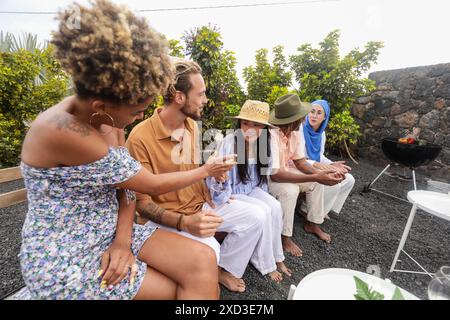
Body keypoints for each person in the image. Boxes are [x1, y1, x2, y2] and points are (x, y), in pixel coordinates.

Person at [18, 0, 234, 300]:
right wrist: (207, 169)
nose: (142, 117)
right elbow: (147, 184)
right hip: (65, 250)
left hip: (111, 228)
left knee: (203, 261)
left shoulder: (108, 119)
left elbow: (127, 191)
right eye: (138, 111)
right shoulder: (64, 131)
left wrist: (122, 240)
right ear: (101, 106)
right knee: (186, 290)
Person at [126, 59, 265, 293]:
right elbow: (143, 206)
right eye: (200, 94)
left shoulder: (191, 126)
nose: (205, 100)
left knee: (256, 216)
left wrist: (214, 180)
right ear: (179, 97)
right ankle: (210, 273)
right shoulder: (140, 138)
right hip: (166, 218)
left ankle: (223, 270)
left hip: (199, 206)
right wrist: (185, 223)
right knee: (210, 249)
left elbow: (193, 171)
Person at [206, 100, 292, 283]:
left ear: (263, 128)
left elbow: (261, 181)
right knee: (263, 212)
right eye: (245, 123)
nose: (249, 129)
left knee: (274, 207)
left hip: (250, 190)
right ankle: (263, 263)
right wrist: (222, 192)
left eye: (256, 125)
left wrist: (263, 197)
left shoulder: (264, 144)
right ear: (239, 124)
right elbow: (218, 180)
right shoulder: (230, 143)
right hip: (230, 193)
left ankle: (277, 257)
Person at [267, 94, 343, 256]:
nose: (304, 120)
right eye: (300, 117)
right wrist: (315, 176)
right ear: (292, 120)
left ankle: (312, 223)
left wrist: (321, 174)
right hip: (267, 177)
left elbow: (300, 161)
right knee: (290, 190)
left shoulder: (295, 133)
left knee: (316, 182)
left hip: (284, 172)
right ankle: (284, 237)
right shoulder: (270, 135)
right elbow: (276, 175)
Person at [300, 100, 355, 217]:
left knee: (348, 179)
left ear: (325, 117)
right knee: (332, 178)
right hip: (302, 165)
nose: (314, 115)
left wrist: (332, 164)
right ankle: (307, 210)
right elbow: (298, 157)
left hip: (314, 164)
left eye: (319, 113)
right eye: (312, 111)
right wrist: (319, 165)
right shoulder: (300, 129)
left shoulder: (321, 134)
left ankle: (330, 209)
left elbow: (320, 156)